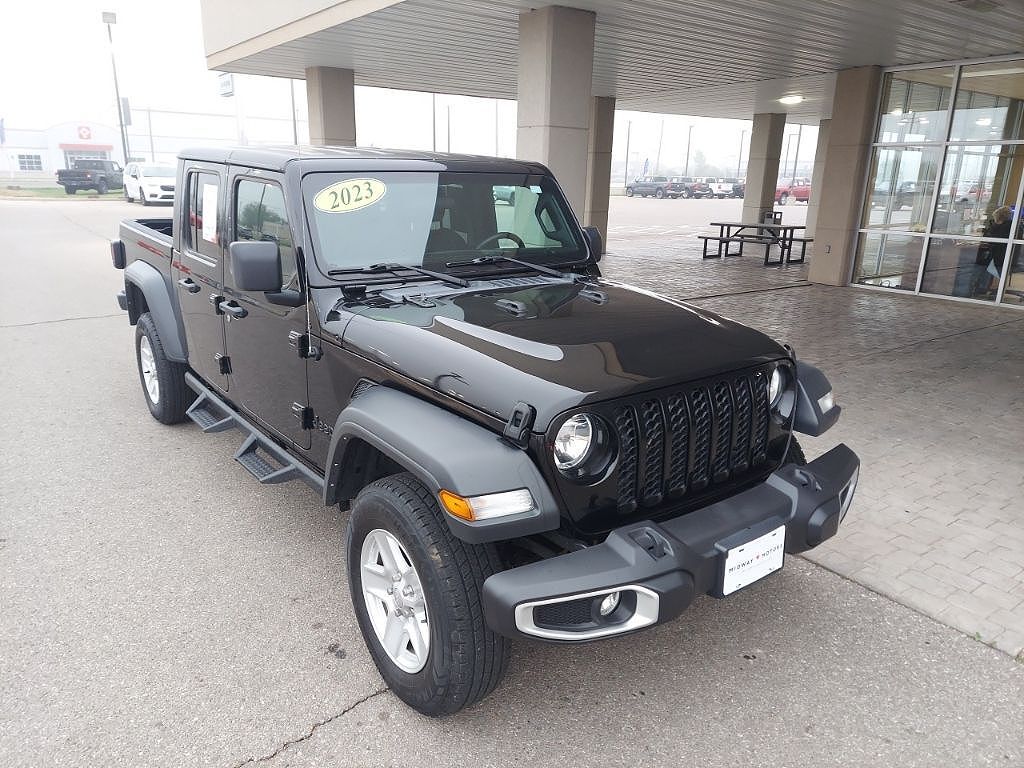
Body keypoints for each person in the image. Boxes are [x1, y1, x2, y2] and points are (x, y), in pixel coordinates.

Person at [973, 206, 1012, 296]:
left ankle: (982, 288)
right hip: (1004, 256)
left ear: (999, 218)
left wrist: (993, 226)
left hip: (1000, 257)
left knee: (980, 264)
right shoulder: (1012, 226)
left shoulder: (1003, 227)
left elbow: (993, 240)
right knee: (984, 263)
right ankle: (984, 287)